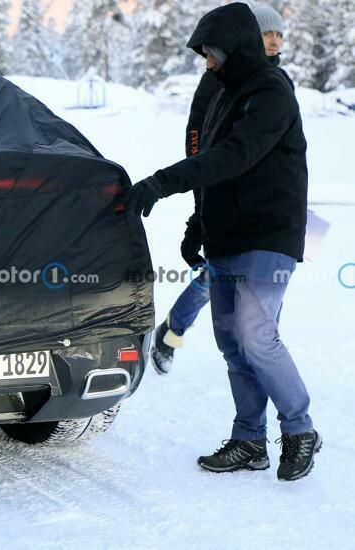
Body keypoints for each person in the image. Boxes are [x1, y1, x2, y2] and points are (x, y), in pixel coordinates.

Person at [124, 2, 320, 481]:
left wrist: (160, 182)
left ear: (234, 47)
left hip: (268, 234)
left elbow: (235, 155)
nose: (207, 62)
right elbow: (212, 164)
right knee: (233, 344)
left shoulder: (271, 92)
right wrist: (199, 224)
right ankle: (249, 441)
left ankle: (300, 429)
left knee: (257, 335)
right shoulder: (220, 96)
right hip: (228, 236)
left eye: (211, 53)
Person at [152, 4, 291, 375]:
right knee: (215, 275)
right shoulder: (219, 75)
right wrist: (202, 203)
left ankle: (256, 345)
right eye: (266, 34)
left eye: (279, 35)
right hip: (223, 192)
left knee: (253, 280)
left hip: (266, 202)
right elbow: (198, 139)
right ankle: (172, 331)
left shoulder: (276, 80)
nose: (274, 41)